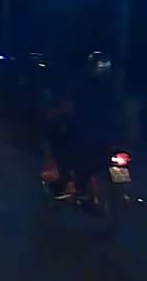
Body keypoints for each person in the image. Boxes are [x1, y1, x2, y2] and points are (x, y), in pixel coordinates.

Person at [43, 51, 119, 199]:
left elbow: (70, 105)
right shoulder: (112, 87)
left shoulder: (86, 85)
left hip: (89, 134)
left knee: (63, 148)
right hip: (109, 135)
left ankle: (67, 185)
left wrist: (54, 113)